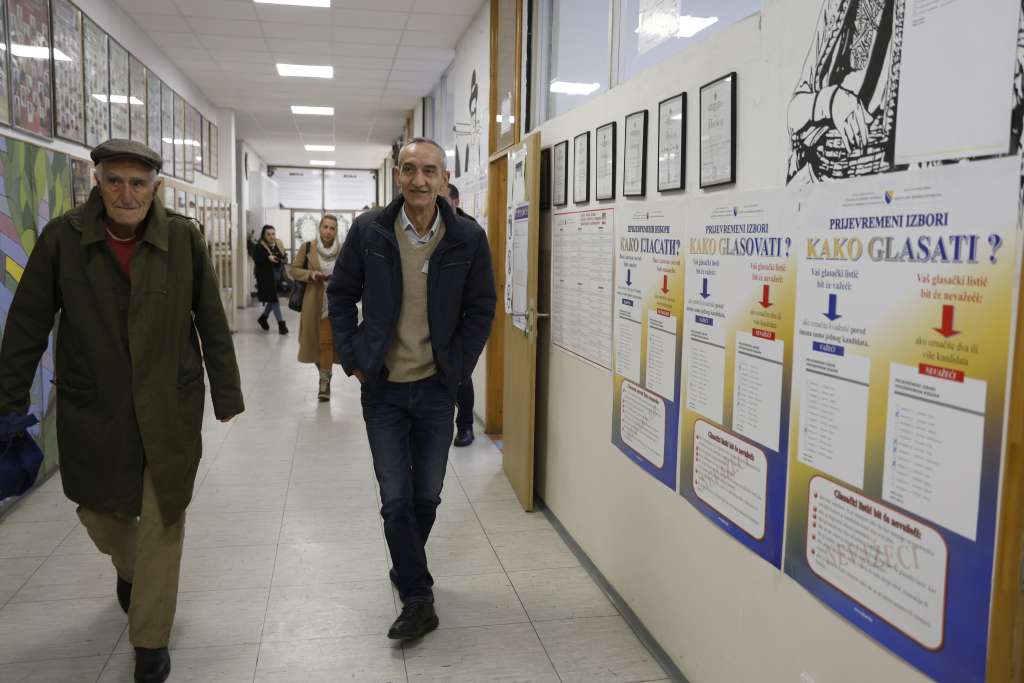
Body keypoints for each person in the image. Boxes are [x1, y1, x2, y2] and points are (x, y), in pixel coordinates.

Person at [0, 139, 244, 683]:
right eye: (115, 181)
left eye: (138, 183)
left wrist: (226, 392)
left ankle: (150, 642)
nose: (126, 194)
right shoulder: (64, 239)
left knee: (164, 516)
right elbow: (26, 323)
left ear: (155, 187)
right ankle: (131, 569)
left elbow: (209, 315)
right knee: (98, 512)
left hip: (170, 403)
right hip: (96, 406)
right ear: (98, 182)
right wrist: (8, 401)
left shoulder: (181, 237)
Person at [328, 137, 496, 640]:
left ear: (444, 178)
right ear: (397, 176)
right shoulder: (370, 231)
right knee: (395, 498)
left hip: (436, 390)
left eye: (429, 170)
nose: (418, 180)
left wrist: (458, 367)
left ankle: (406, 564)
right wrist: (353, 357)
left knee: (427, 495)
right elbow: (341, 295)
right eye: (409, 170)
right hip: (382, 388)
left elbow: (481, 308)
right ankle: (418, 597)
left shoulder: (467, 237)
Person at [287, 214, 342, 401]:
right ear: (319, 228)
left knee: (326, 341)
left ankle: (324, 382)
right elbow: (294, 270)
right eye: (325, 227)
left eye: (332, 228)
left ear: (336, 231)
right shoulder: (308, 247)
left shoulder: (342, 250)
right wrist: (311, 275)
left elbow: (350, 272)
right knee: (313, 343)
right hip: (312, 302)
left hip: (333, 303)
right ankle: (324, 372)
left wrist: (337, 278)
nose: (328, 231)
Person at [443, 183, 479, 448]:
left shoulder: (471, 231)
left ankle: (465, 425)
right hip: (434, 313)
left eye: (444, 199)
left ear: (455, 202)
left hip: (460, 315)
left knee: (461, 375)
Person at [253, 225, 288, 334]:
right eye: (268, 234)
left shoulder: (278, 243)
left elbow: (283, 257)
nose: (271, 236)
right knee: (274, 299)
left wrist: (282, 258)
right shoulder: (260, 246)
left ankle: (263, 318)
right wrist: (267, 258)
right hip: (266, 278)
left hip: (278, 277)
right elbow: (257, 259)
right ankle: (281, 324)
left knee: (272, 299)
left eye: (273, 234)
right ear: (264, 235)